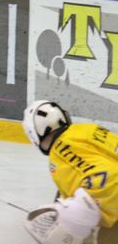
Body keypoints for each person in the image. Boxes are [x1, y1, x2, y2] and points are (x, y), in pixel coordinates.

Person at [22, 100, 118, 244]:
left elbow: (109, 181)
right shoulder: (87, 129)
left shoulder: (61, 151)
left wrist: (73, 215)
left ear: (33, 135)